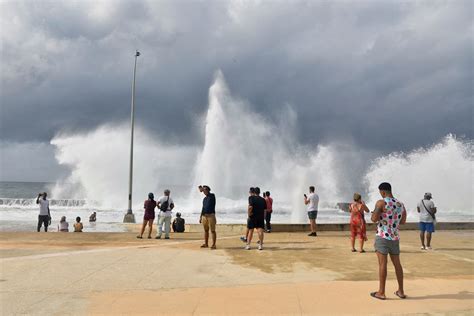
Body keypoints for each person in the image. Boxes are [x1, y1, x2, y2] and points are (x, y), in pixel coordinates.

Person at [370, 182, 407, 300]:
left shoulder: (381, 202)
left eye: (380, 192)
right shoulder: (401, 204)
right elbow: (403, 222)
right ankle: (401, 291)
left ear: (383, 191)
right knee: (398, 265)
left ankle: (381, 292)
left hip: (382, 236)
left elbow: (373, 219)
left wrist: (377, 213)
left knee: (382, 264)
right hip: (395, 237)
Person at [199, 185, 217, 249]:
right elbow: (203, 208)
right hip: (204, 216)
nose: (204, 191)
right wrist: (200, 217)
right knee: (206, 230)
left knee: (212, 231)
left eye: (205, 190)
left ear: (208, 190)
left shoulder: (212, 196)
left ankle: (214, 244)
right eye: (203, 190)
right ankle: (206, 244)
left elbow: (206, 191)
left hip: (211, 216)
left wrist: (202, 189)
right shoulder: (204, 199)